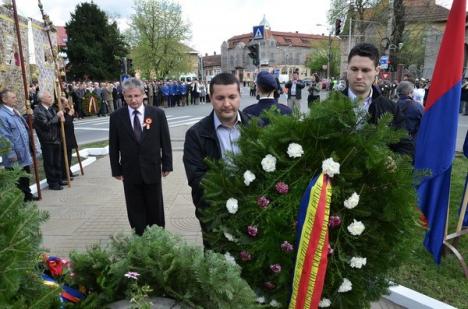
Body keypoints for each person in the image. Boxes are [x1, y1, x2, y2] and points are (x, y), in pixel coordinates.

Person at [183, 72, 251, 247]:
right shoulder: (196, 135)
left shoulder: (256, 126)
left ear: (239, 97)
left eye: (232, 97)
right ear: (211, 98)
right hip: (214, 213)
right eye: (220, 98)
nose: (227, 104)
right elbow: (196, 178)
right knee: (217, 265)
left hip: (251, 210)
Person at [109, 78, 173, 236]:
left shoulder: (157, 114)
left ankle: (158, 236)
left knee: (155, 206)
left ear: (143, 94)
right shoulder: (117, 117)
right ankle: (139, 236)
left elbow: (165, 141)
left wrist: (167, 164)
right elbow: (113, 145)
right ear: (123, 96)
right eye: (129, 96)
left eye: (137, 95)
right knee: (134, 206)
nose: (133, 100)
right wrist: (115, 169)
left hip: (152, 168)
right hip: (129, 170)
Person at [342, 42, 413, 156]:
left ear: (377, 71)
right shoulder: (327, 106)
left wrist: (392, 163)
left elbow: (406, 147)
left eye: (365, 70)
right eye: (354, 69)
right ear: (347, 69)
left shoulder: (391, 109)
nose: (359, 76)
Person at [0, 89, 37, 201]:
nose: (16, 99)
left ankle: (27, 195)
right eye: (13, 97)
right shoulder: (2, 115)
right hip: (14, 153)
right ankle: (20, 200)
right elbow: (4, 136)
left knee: (25, 174)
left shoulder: (14, 111)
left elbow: (23, 128)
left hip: (23, 150)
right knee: (17, 177)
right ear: (4, 99)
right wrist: (11, 152)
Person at [33, 90, 66, 190]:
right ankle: (52, 183)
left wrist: (61, 119)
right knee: (50, 162)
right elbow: (46, 125)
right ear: (42, 99)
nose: (51, 98)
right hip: (47, 140)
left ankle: (59, 179)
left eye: (51, 96)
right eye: (48, 97)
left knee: (57, 161)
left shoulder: (51, 108)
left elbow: (56, 122)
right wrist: (57, 116)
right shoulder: (38, 111)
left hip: (56, 138)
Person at [60, 97, 79, 181]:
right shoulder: (60, 112)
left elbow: (70, 120)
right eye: (65, 103)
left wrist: (71, 112)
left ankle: (69, 172)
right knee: (65, 157)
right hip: (65, 136)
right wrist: (70, 114)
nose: (67, 105)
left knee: (69, 156)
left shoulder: (66, 110)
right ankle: (65, 174)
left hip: (70, 135)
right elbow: (65, 123)